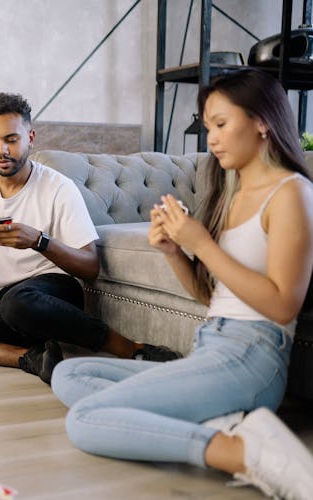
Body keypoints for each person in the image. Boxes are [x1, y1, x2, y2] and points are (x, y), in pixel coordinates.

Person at [51, 69, 313, 499]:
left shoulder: (291, 193)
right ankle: (218, 419)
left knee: (86, 418)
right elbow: (213, 297)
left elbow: (283, 304)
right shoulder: (234, 193)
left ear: (263, 120)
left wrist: (201, 243)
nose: (211, 138)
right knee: (70, 373)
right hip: (213, 346)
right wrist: (175, 251)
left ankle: (240, 451)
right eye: (208, 127)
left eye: (222, 124)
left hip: (253, 358)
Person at [0, 92, 181, 385]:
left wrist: (39, 241)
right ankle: (28, 358)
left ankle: (130, 348)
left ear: (30, 136)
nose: (1, 150)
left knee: (19, 302)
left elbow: (90, 267)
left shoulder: (58, 187)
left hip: (50, 295)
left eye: (11, 139)